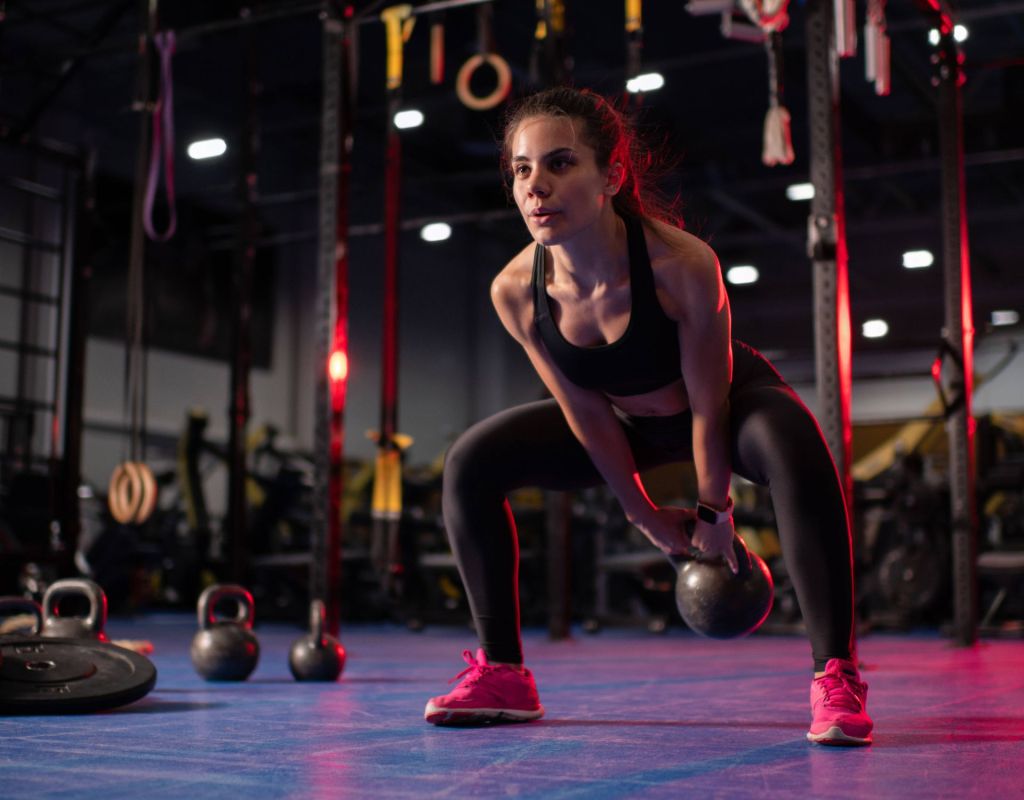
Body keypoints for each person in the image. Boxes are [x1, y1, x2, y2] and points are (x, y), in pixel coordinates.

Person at [423, 86, 873, 746]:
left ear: (611, 175)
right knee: (471, 462)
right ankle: (504, 672)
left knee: (793, 440)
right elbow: (583, 410)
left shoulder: (681, 265)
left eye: (559, 163)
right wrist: (644, 515)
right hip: (623, 421)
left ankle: (836, 672)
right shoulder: (516, 291)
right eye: (521, 169)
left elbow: (710, 401)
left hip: (723, 403)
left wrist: (714, 513)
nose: (535, 187)